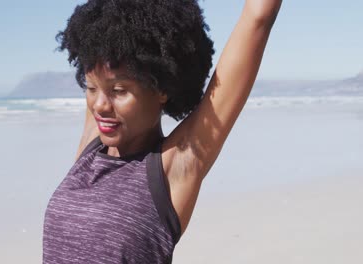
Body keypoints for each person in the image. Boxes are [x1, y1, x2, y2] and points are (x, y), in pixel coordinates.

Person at [43, 0, 282, 263]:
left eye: (119, 91)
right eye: (90, 88)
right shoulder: (91, 150)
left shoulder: (171, 168)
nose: (99, 105)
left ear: (161, 89)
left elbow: (257, 18)